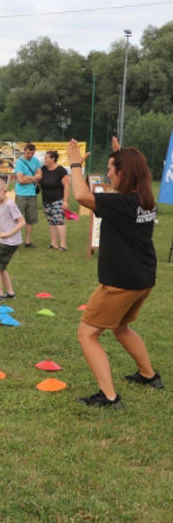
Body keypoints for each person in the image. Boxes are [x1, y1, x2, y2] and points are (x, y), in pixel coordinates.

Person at [69, 137, 161, 408]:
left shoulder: (122, 205)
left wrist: (74, 164)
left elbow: (81, 196)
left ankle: (109, 397)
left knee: (87, 334)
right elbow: (120, 180)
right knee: (120, 327)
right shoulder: (144, 200)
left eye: (112, 169)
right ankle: (148, 375)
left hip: (121, 283)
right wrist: (120, 155)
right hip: (143, 279)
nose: (108, 174)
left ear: (125, 173)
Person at [39, 150, 71, 251]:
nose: (45, 160)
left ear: (53, 159)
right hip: (46, 200)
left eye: (47, 158)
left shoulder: (61, 170)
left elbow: (67, 186)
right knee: (51, 222)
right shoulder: (43, 169)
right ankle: (54, 243)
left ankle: (63, 244)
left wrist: (65, 201)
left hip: (57, 200)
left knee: (59, 221)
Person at [14, 143, 42, 248]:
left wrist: (29, 178)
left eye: (32, 153)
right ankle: (15, 240)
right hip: (21, 194)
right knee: (17, 218)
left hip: (32, 194)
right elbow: (20, 180)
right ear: (25, 151)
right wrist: (33, 178)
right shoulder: (20, 163)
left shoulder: (36, 161)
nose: (30, 155)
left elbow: (40, 175)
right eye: (28, 153)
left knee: (30, 219)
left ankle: (27, 240)